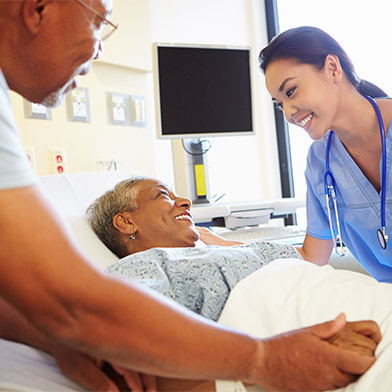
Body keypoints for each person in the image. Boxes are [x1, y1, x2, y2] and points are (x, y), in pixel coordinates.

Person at [0, 1, 379, 389]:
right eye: (99, 22)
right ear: (39, 8)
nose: (100, 48)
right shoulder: (149, 268)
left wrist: (220, 243)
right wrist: (266, 360)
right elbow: (82, 311)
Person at [0, 176, 381, 392]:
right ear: (126, 223)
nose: (184, 200)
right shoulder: (142, 269)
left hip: (341, 296)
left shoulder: (213, 252)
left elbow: (307, 259)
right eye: (163, 195)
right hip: (299, 322)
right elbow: (134, 356)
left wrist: (215, 243)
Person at [259, 26, 392, 282]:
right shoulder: (321, 161)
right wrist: (225, 248)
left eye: (290, 91)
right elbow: (312, 257)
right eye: (279, 105)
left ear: (332, 68)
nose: (287, 113)